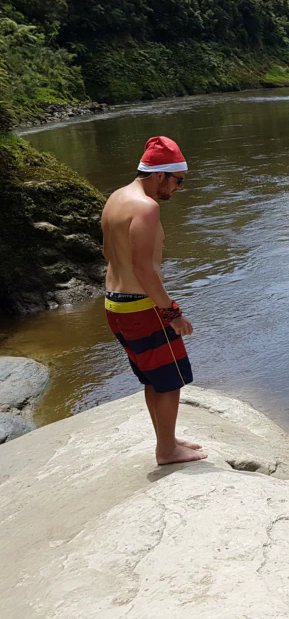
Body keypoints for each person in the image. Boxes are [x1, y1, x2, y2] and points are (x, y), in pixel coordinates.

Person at [101, 136, 204, 465]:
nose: (179, 188)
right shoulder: (147, 208)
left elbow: (107, 253)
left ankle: (167, 440)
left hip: (114, 305)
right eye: (178, 181)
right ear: (160, 175)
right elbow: (143, 269)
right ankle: (167, 450)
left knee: (153, 378)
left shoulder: (116, 198)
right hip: (141, 308)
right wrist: (172, 312)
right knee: (171, 380)